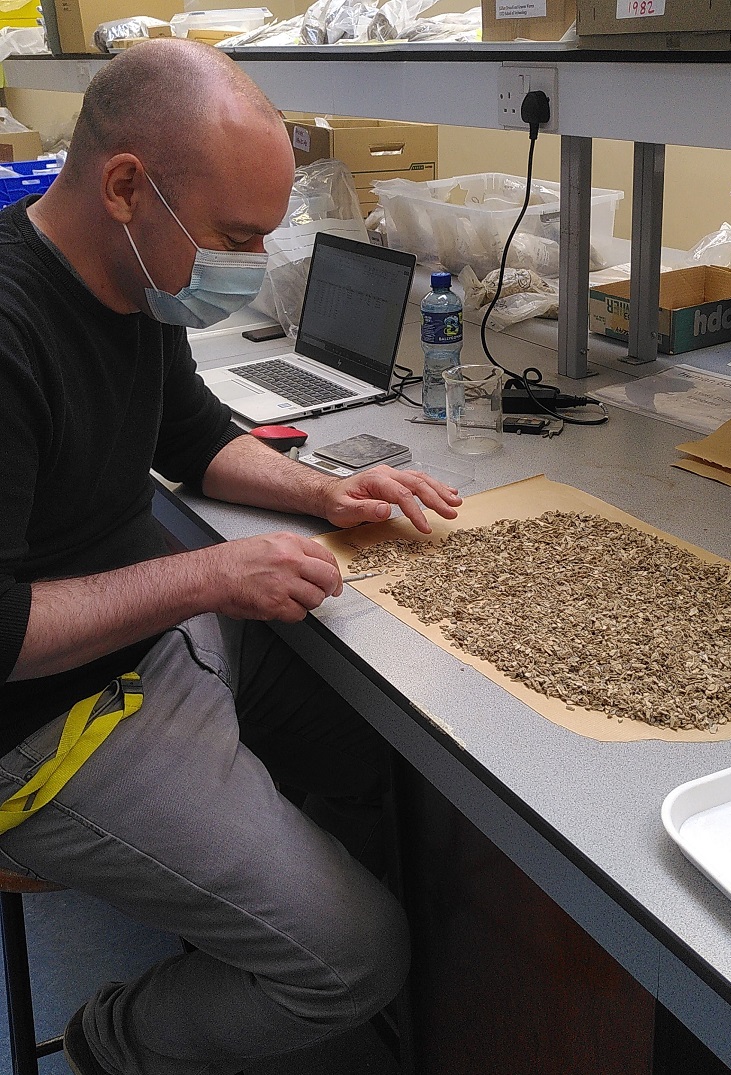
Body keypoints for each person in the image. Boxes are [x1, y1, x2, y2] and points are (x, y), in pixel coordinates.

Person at [0, 38, 461, 1075]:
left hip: (156, 640)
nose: (248, 266)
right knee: (353, 957)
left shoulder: (129, 279)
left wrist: (324, 490)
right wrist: (209, 575)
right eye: (233, 237)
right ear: (126, 185)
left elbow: (191, 435)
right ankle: (111, 1040)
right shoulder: (11, 330)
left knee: (378, 751)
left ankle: (281, 927)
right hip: (40, 728)